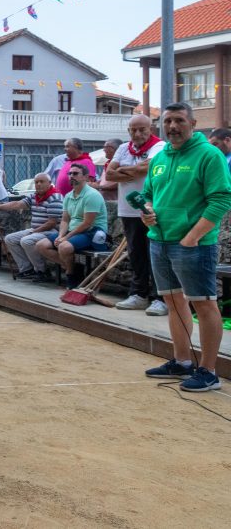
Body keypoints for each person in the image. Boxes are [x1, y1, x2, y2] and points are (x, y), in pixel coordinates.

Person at [141, 102, 231, 392]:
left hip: (194, 245)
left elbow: (221, 200)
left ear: (193, 124)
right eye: (168, 121)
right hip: (159, 241)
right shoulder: (159, 158)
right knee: (173, 302)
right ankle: (181, 361)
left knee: (204, 305)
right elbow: (147, 195)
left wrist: (194, 235)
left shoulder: (209, 155)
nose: (173, 127)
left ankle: (208, 371)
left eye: (179, 120)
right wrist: (147, 210)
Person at [108, 115, 166, 315]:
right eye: (133, 130)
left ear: (151, 129)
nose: (137, 134)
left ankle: (160, 297)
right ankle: (139, 295)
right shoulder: (123, 148)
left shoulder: (159, 147)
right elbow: (109, 174)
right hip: (127, 210)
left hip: (152, 209)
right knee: (137, 254)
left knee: (156, 254)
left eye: (142, 129)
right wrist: (135, 171)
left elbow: (149, 167)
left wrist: (123, 171)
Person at [35, 163, 108, 288]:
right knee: (41, 245)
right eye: (70, 173)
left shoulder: (92, 195)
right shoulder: (68, 196)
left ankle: (71, 274)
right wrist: (61, 235)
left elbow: (87, 223)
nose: (71, 176)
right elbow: (65, 219)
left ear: (85, 177)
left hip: (91, 231)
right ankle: (74, 267)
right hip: (73, 230)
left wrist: (66, 238)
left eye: (75, 174)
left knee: (64, 247)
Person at [0, 173, 62, 282]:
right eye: (36, 182)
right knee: (10, 239)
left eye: (42, 182)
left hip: (52, 231)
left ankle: (42, 271)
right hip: (37, 230)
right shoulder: (34, 196)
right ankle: (27, 269)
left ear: (50, 183)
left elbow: (52, 223)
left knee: (27, 241)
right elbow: (17, 204)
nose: (38, 184)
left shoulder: (54, 197)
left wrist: (34, 232)